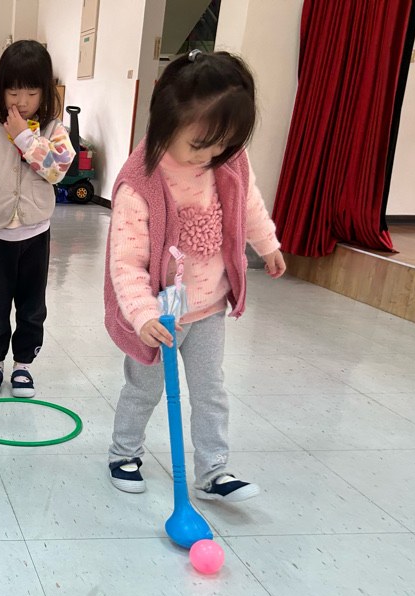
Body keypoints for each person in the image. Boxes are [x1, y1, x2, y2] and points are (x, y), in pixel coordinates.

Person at [105, 50, 286, 501]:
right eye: (200, 144)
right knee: (143, 390)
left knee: (211, 391)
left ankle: (213, 471)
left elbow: (248, 205)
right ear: (166, 121)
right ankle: (124, 453)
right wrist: (143, 315)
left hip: (208, 307)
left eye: (223, 143)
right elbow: (126, 261)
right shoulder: (141, 181)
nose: (211, 155)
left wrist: (267, 244)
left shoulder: (228, 160)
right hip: (159, 317)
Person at [0, 40, 75, 399]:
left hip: (36, 235)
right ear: (0, 89)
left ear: (45, 93)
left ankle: (23, 365)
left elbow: (57, 170)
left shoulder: (54, 130)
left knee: (32, 306)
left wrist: (25, 137)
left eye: (31, 92)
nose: (22, 101)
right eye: (13, 91)